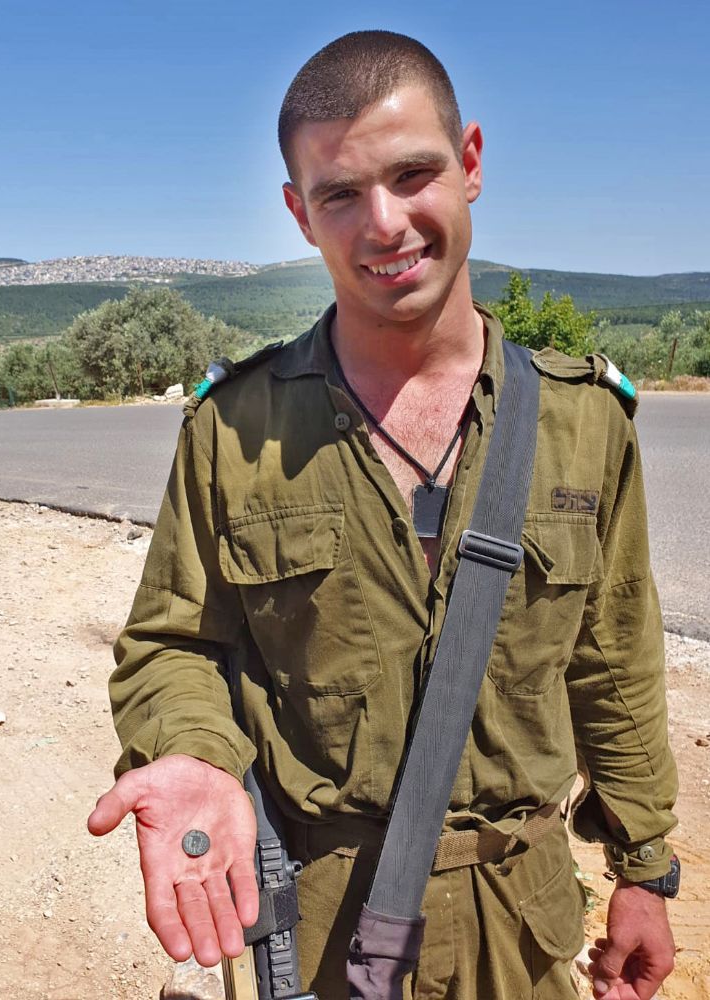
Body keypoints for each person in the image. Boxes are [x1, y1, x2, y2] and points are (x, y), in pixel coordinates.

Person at [88, 30, 679, 1000]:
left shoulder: (581, 425)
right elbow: (176, 643)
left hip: (518, 922)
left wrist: (642, 867)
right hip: (319, 921)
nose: (384, 223)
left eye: (413, 175)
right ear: (296, 211)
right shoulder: (235, 430)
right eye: (339, 193)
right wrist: (192, 754)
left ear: (470, 164)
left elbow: (611, 660)